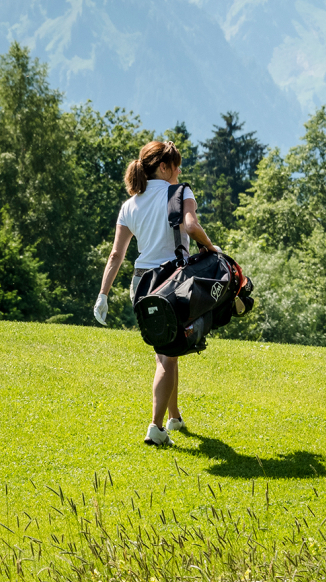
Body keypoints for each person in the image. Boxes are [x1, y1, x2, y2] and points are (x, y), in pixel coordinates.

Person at [93, 139, 224, 447]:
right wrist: (211, 247)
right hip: (171, 285)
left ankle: (174, 417)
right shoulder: (179, 192)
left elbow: (116, 255)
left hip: (140, 286)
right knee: (166, 358)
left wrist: (103, 294)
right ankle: (155, 429)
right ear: (164, 167)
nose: (179, 172)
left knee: (168, 350)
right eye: (176, 166)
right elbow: (191, 226)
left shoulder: (130, 204)